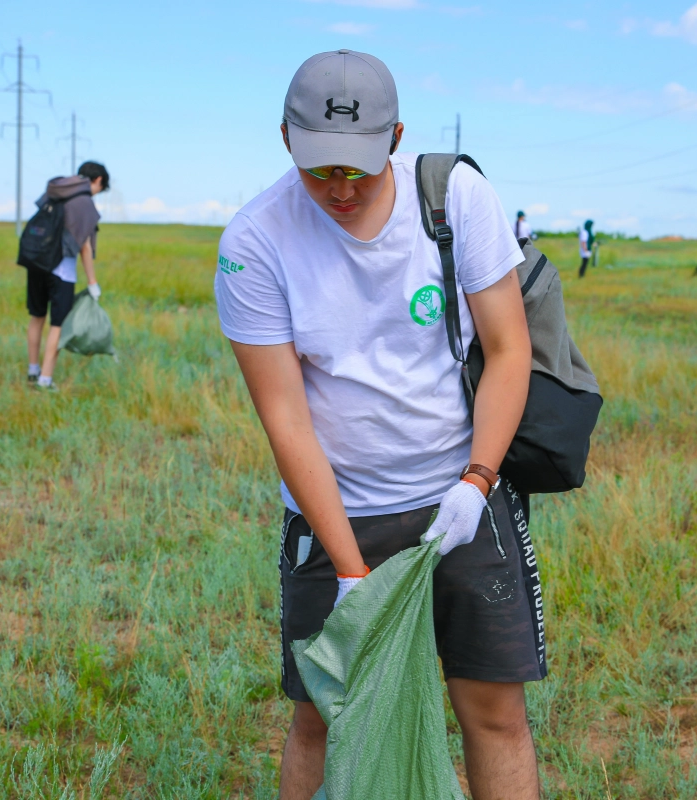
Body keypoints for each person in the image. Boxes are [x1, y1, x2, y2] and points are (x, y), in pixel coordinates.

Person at [214, 49, 541, 800]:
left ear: (394, 137)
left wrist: (476, 481)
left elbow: (509, 348)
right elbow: (286, 417)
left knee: (492, 713)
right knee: (325, 716)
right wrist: (350, 570)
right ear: (285, 139)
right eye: (319, 167)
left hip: (460, 499)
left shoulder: (453, 196)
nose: (339, 187)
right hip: (338, 513)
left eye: (357, 167)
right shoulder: (256, 243)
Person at [25, 161, 109, 390]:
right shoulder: (85, 203)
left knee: (37, 317)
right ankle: (46, 380)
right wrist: (92, 282)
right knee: (58, 325)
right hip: (62, 271)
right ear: (99, 180)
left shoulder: (56, 190)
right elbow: (85, 247)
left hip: (37, 263)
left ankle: (33, 370)